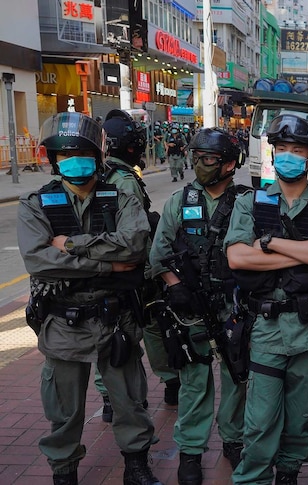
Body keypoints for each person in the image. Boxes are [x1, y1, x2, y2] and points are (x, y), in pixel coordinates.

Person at [18, 112, 161, 485]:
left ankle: (136, 465)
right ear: (53, 160)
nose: (73, 162)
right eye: (64, 155)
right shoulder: (36, 203)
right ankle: (64, 473)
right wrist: (108, 267)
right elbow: (39, 261)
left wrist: (72, 245)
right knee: (64, 411)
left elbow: (136, 244)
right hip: (64, 324)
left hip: (116, 321)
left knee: (130, 402)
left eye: (81, 153)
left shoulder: (121, 196)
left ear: (98, 156)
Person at [225, 114, 308, 485]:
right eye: (282, 150)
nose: (289, 157)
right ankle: (254, 479)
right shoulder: (251, 203)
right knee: (260, 421)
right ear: (272, 154)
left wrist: (271, 243)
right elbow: (238, 258)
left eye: (298, 151)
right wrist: (305, 249)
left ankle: (289, 474)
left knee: (301, 416)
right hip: (265, 330)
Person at [149, 128, 249, 484]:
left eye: (208, 160)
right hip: (190, 309)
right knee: (194, 382)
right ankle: (191, 451)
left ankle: (234, 440)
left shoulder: (247, 201)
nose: (200, 166)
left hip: (236, 306)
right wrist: (175, 288)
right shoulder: (179, 201)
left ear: (229, 164)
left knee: (237, 377)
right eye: (197, 158)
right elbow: (157, 255)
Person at [97, 109, 181, 423]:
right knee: (151, 326)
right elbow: (136, 232)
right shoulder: (124, 179)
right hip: (132, 269)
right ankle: (168, 383)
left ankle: (109, 398)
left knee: (107, 332)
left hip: (104, 268)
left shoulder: (99, 173)